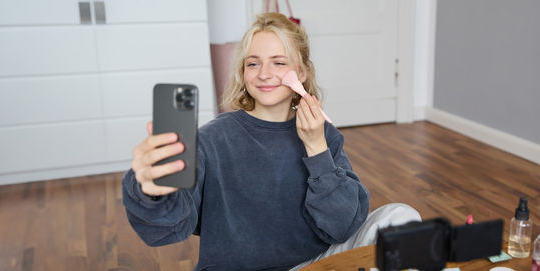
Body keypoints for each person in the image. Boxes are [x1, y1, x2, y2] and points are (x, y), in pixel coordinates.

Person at [122, 12, 420, 271]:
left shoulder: (324, 135)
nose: (264, 74)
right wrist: (151, 191)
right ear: (243, 72)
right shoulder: (212, 139)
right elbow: (168, 229)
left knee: (402, 216)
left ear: (301, 72)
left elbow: (344, 227)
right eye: (253, 64)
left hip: (316, 264)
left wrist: (317, 149)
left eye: (278, 62)